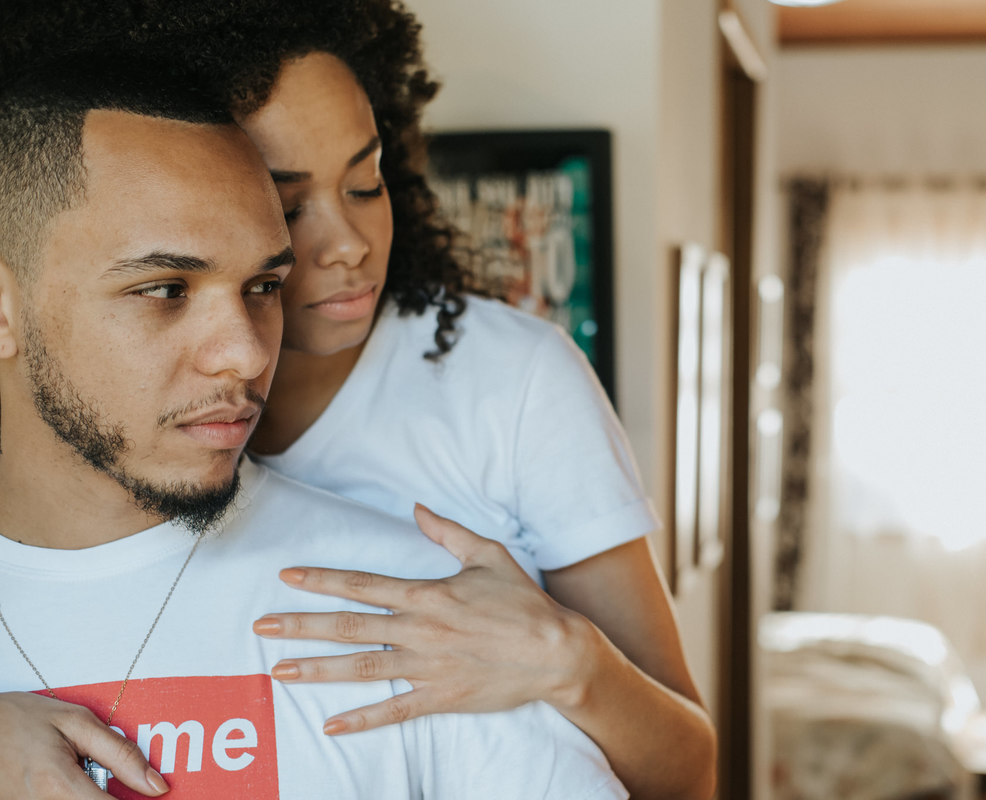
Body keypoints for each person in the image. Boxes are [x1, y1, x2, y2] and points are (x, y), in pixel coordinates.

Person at [1, 2, 718, 798]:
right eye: (288, 201)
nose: (347, 243)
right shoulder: (65, 413)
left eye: (366, 181)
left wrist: (571, 661)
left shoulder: (500, 388)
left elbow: (688, 767)